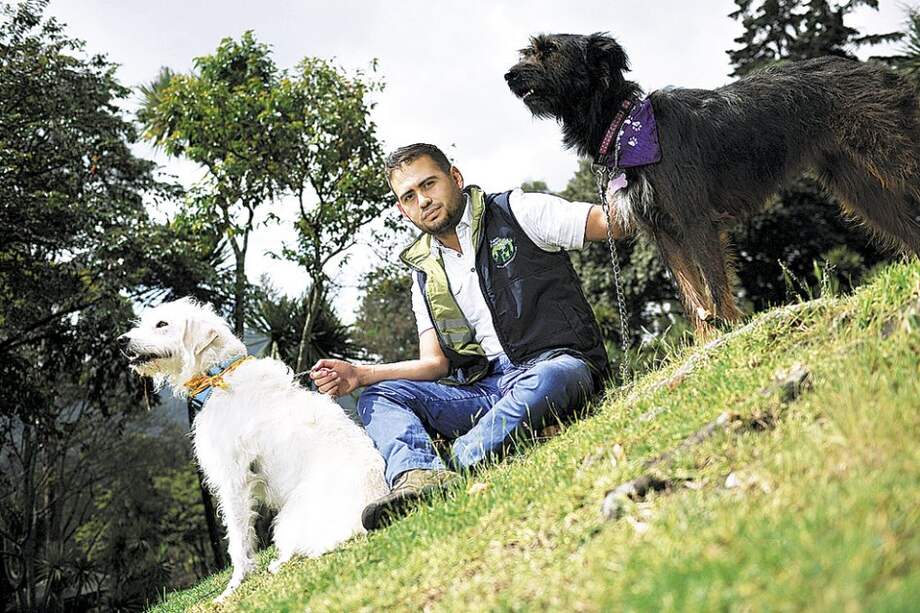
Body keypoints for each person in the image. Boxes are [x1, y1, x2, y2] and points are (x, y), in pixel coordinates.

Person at [309, 143, 626, 530]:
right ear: (402, 209)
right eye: (409, 196)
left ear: (455, 178)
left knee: (553, 377)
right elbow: (435, 364)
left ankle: (459, 459)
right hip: (485, 390)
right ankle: (418, 476)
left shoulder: (516, 210)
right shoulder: (424, 272)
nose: (423, 200)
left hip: (555, 366)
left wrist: (634, 175)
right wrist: (361, 374)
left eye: (430, 184)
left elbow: (611, 222)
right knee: (379, 395)